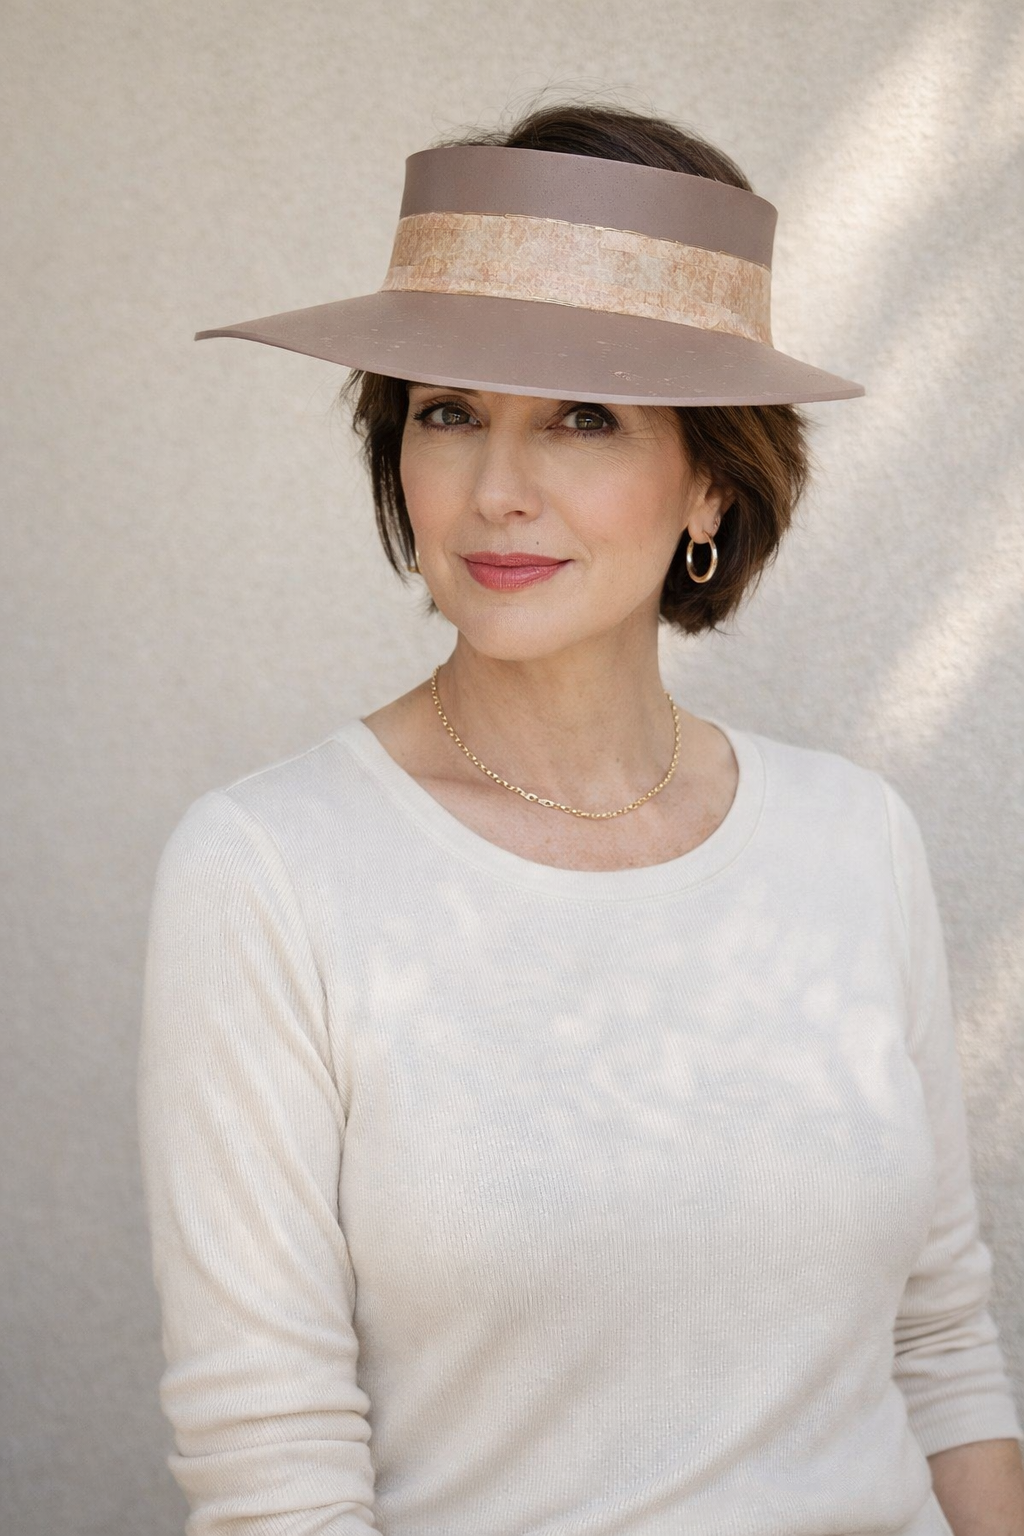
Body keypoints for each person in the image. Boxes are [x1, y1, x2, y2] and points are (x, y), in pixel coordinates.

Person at [137, 102, 1024, 1536]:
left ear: (713, 487)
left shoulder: (853, 840)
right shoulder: (271, 871)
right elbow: (272, 1468)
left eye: (584, 418)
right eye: (449, 413)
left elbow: (941, 1352)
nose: (498, 490)